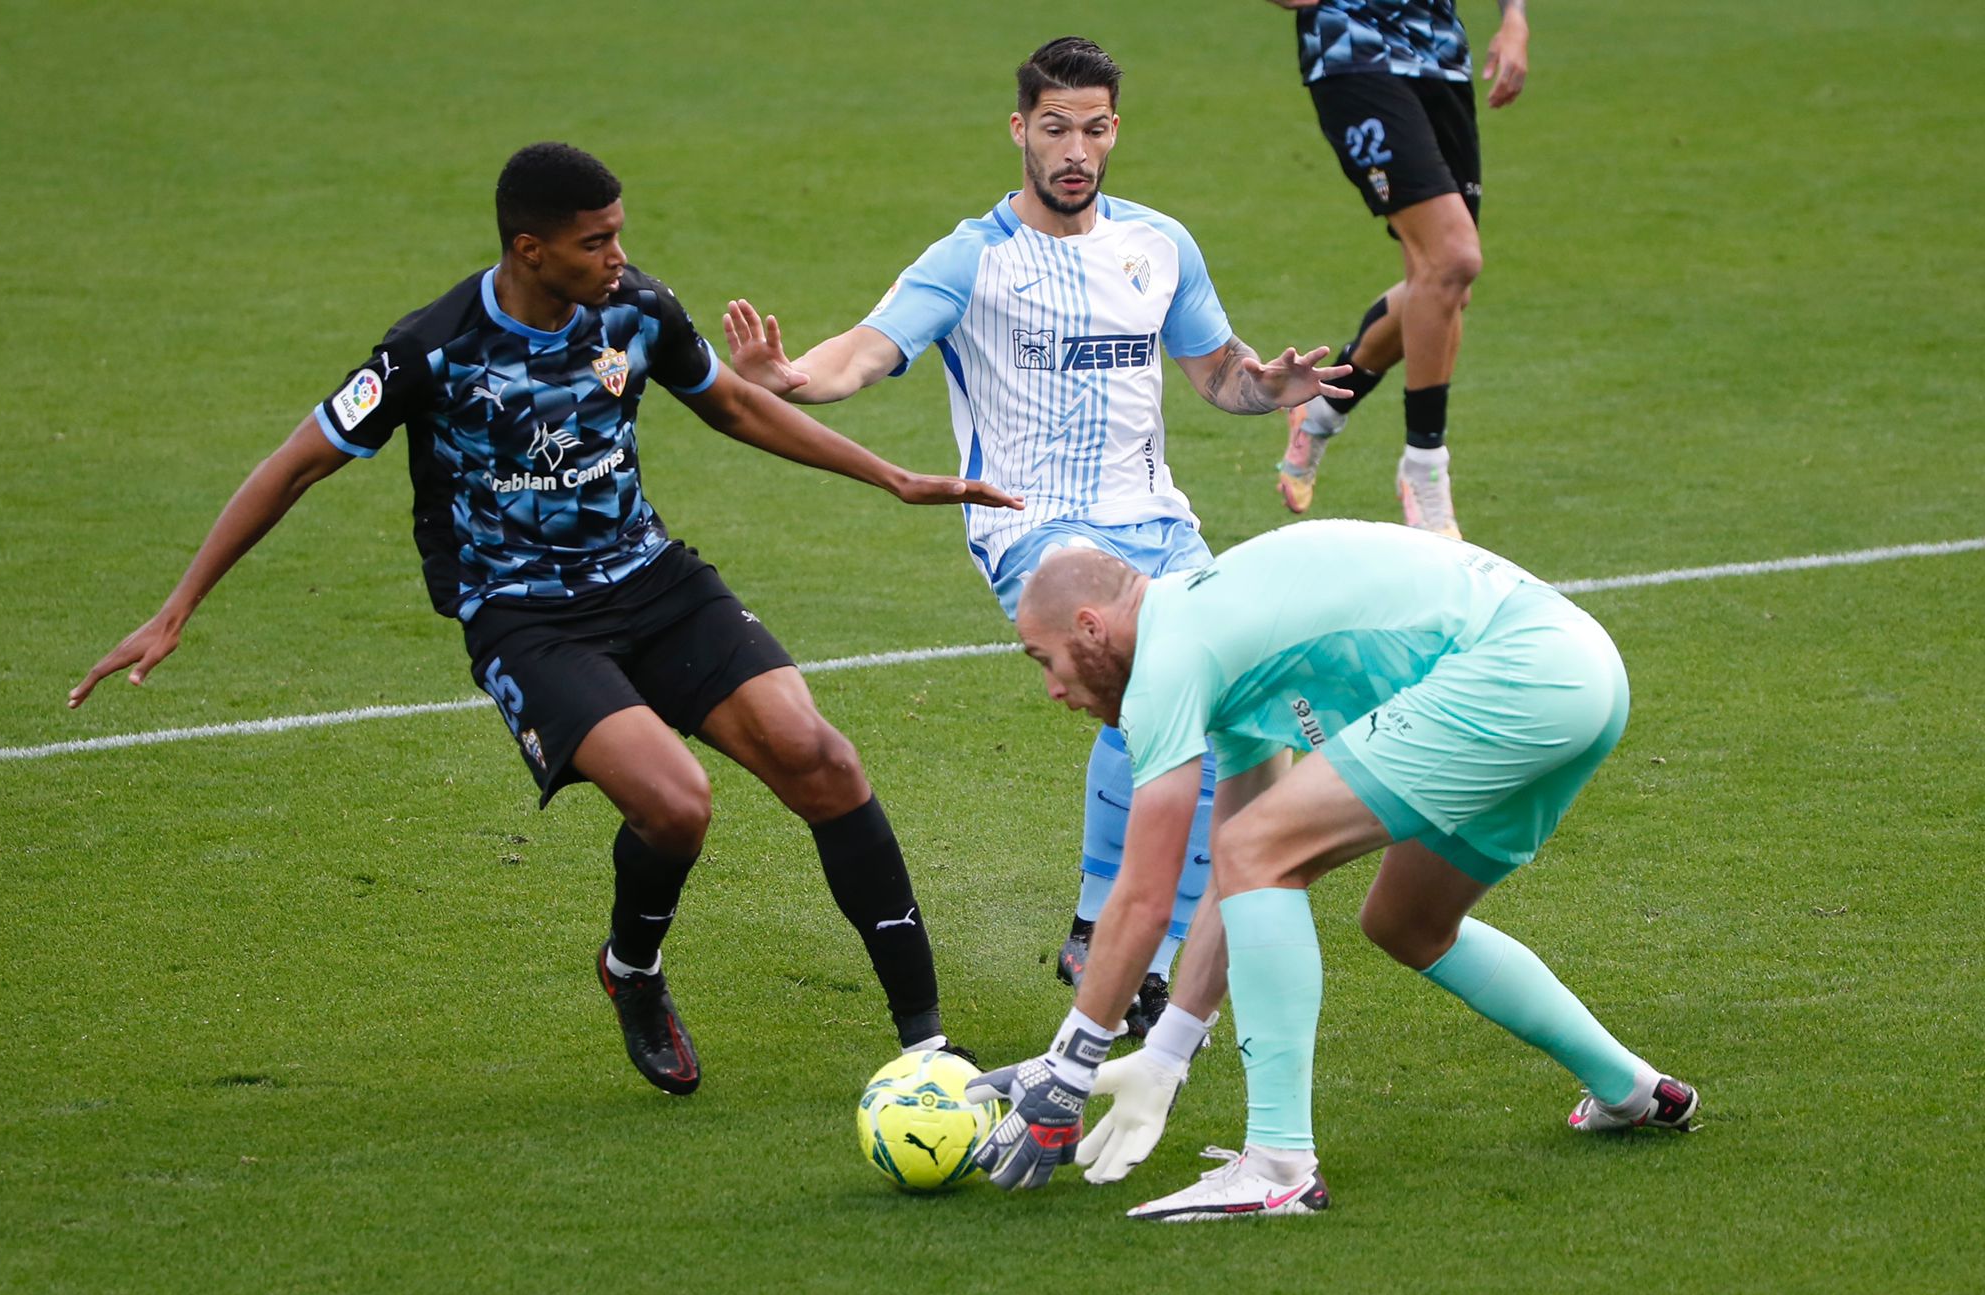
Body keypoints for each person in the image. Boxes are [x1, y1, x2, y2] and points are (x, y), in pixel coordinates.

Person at [68, 143, 1020, 1096]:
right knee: (676, 804)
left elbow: (730, 405)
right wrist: (176, 608)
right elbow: (294, 465)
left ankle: (927, 1047)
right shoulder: (431, 349)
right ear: (530, 249)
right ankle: (632, 971)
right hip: (527, 618)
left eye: (619, 234)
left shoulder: (634, 309)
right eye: (594, 241)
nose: (618, 256)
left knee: (822, 758)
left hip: (653, 581)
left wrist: (892, 478)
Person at [720, 36, 1350, 1035]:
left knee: (1232, 711)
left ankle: (1128, 942)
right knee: (1143, 667)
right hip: (1033, 529)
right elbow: (864, 353)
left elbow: (1216, 373)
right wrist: (793, 377)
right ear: (1019, 129)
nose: (1073, 150)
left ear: (1112, 132)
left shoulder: (1158, 247)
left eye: (1092, 129)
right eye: (1053, 127)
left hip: (1154, 519)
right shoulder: (971, 258)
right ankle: (1111, 937)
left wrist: (1263, 389)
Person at [968, 520, 1698, 1217]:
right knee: (1407, 924)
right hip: (1580, 672)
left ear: (1091, 629)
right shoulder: (1211, 637)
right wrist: (1164, 1056)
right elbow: (1235, 880)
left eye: (1045, 660)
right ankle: (1631, 1090)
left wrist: (1069, 1066)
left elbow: (1147, 895)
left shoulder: (1167, 659)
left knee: (1260, 850)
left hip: (1520, 671)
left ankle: (1279, 1167)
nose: (1054, 690)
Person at [1270, 0, 1531, 541]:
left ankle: (1318, 413)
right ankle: (1424, 465)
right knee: (1454, 258)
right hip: (1355, 55)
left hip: (1441, 58)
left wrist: (1514, 19)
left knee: (1442, 291)